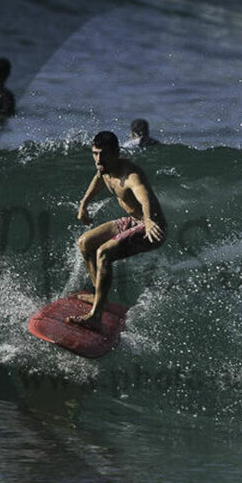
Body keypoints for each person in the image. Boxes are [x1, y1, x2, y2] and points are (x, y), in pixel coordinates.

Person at [69, 131, 167, 332]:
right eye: (95, 153)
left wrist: (148, 221)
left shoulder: (131, 175)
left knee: (103, 253)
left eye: (103, 154)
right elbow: (98, 180)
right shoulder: (104, 168)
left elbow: (145, 197)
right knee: (85, 243)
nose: (98, 159)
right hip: (132, 221)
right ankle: (100, 297)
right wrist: (83, 205)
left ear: (116, 152)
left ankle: (96, 317)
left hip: (150, 228)